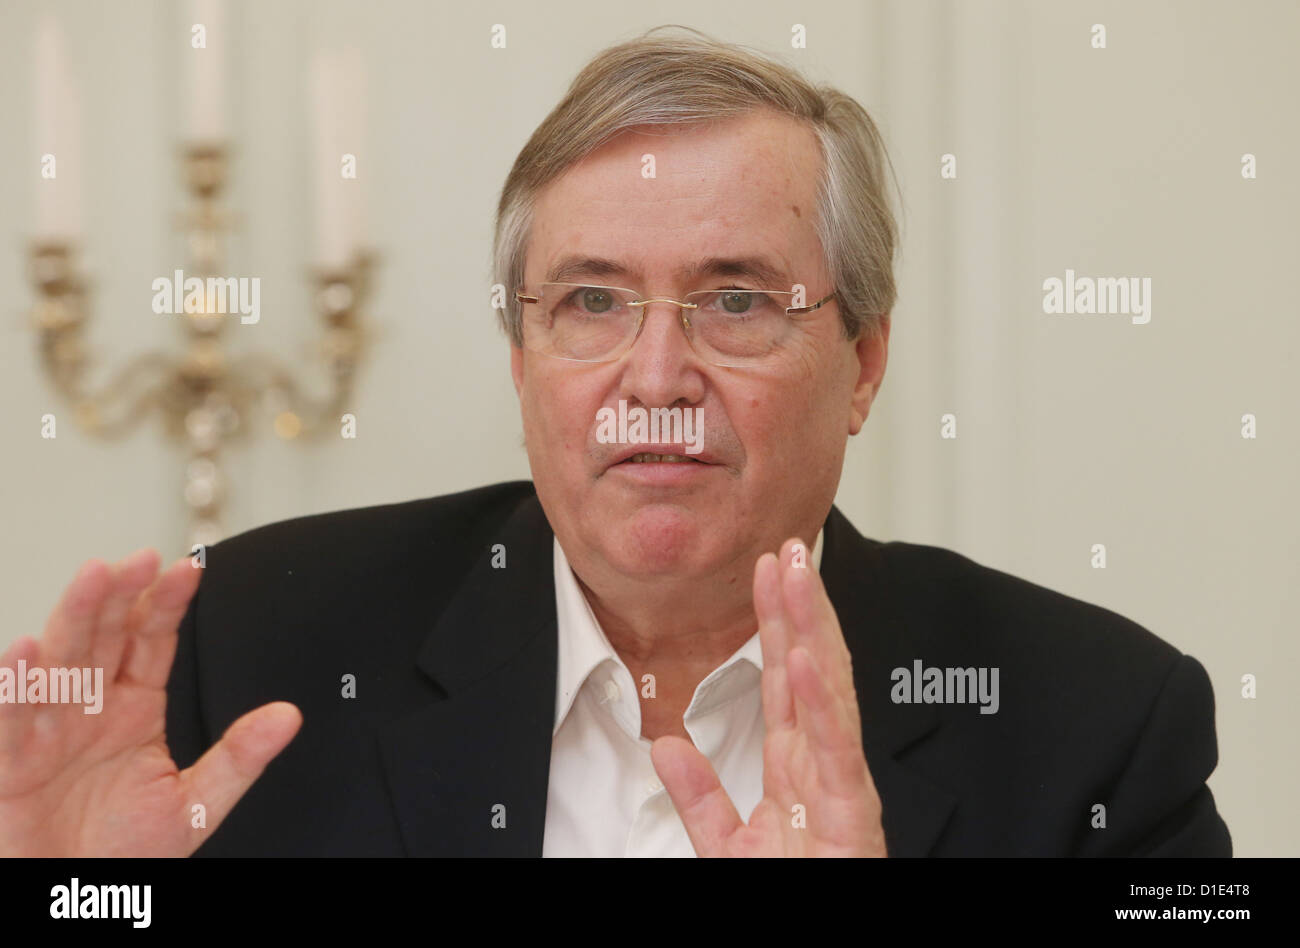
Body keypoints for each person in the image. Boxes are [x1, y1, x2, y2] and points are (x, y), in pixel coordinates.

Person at [0, 27, 1230, 857]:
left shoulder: (1103, 726)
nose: (652, 380)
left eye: (736, 301)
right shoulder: (252, 646)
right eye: (590, 300)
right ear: (523, 356)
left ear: (861, 364)